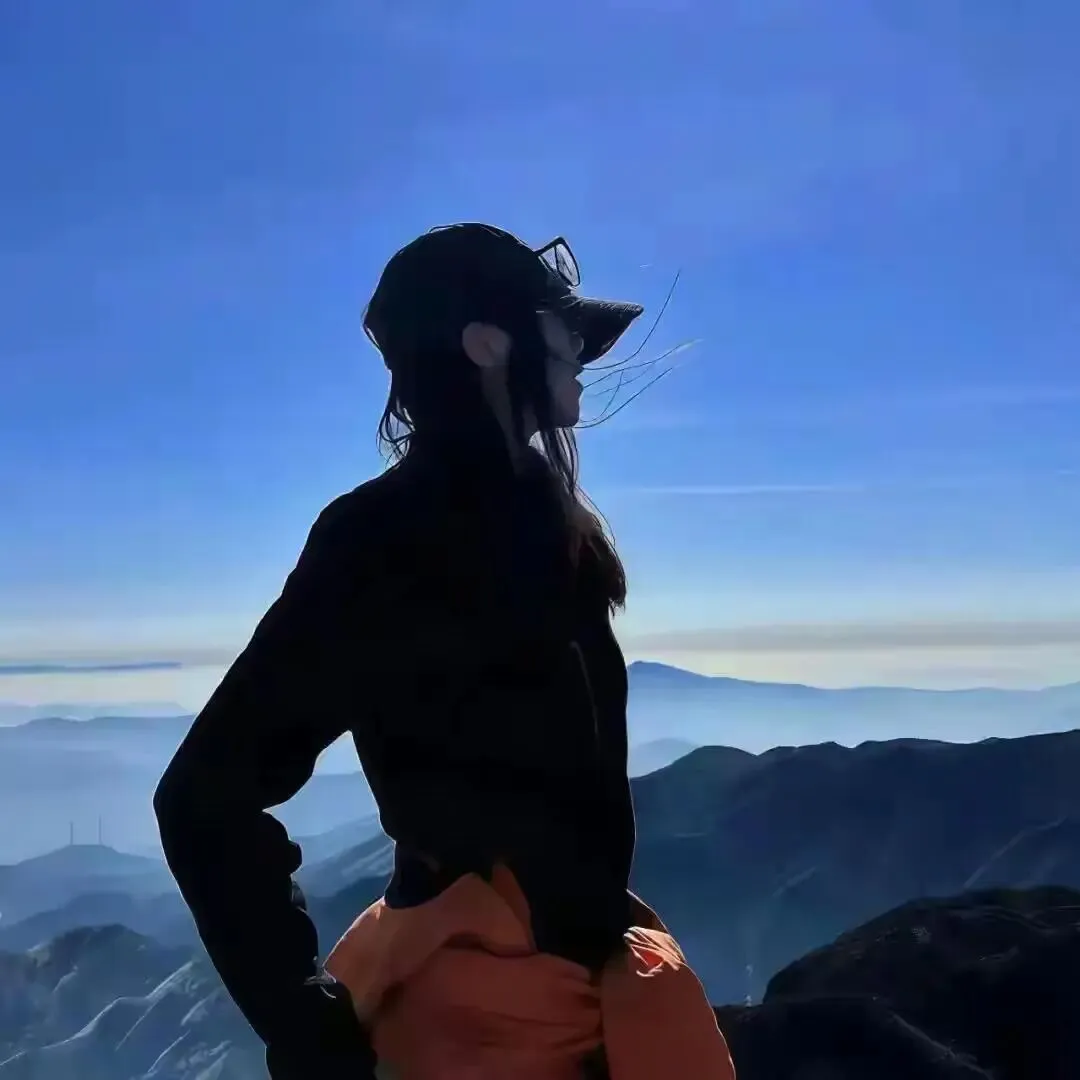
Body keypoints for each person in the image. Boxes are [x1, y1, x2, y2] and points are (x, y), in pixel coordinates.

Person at [154, 224, 734, 1080]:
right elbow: (202, 796)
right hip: (476, 1030)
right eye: (563, 330)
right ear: (486, 343)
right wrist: (303, 1023)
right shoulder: (381, 539)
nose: (580, 353)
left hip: (563, 1003)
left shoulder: (540, 519)